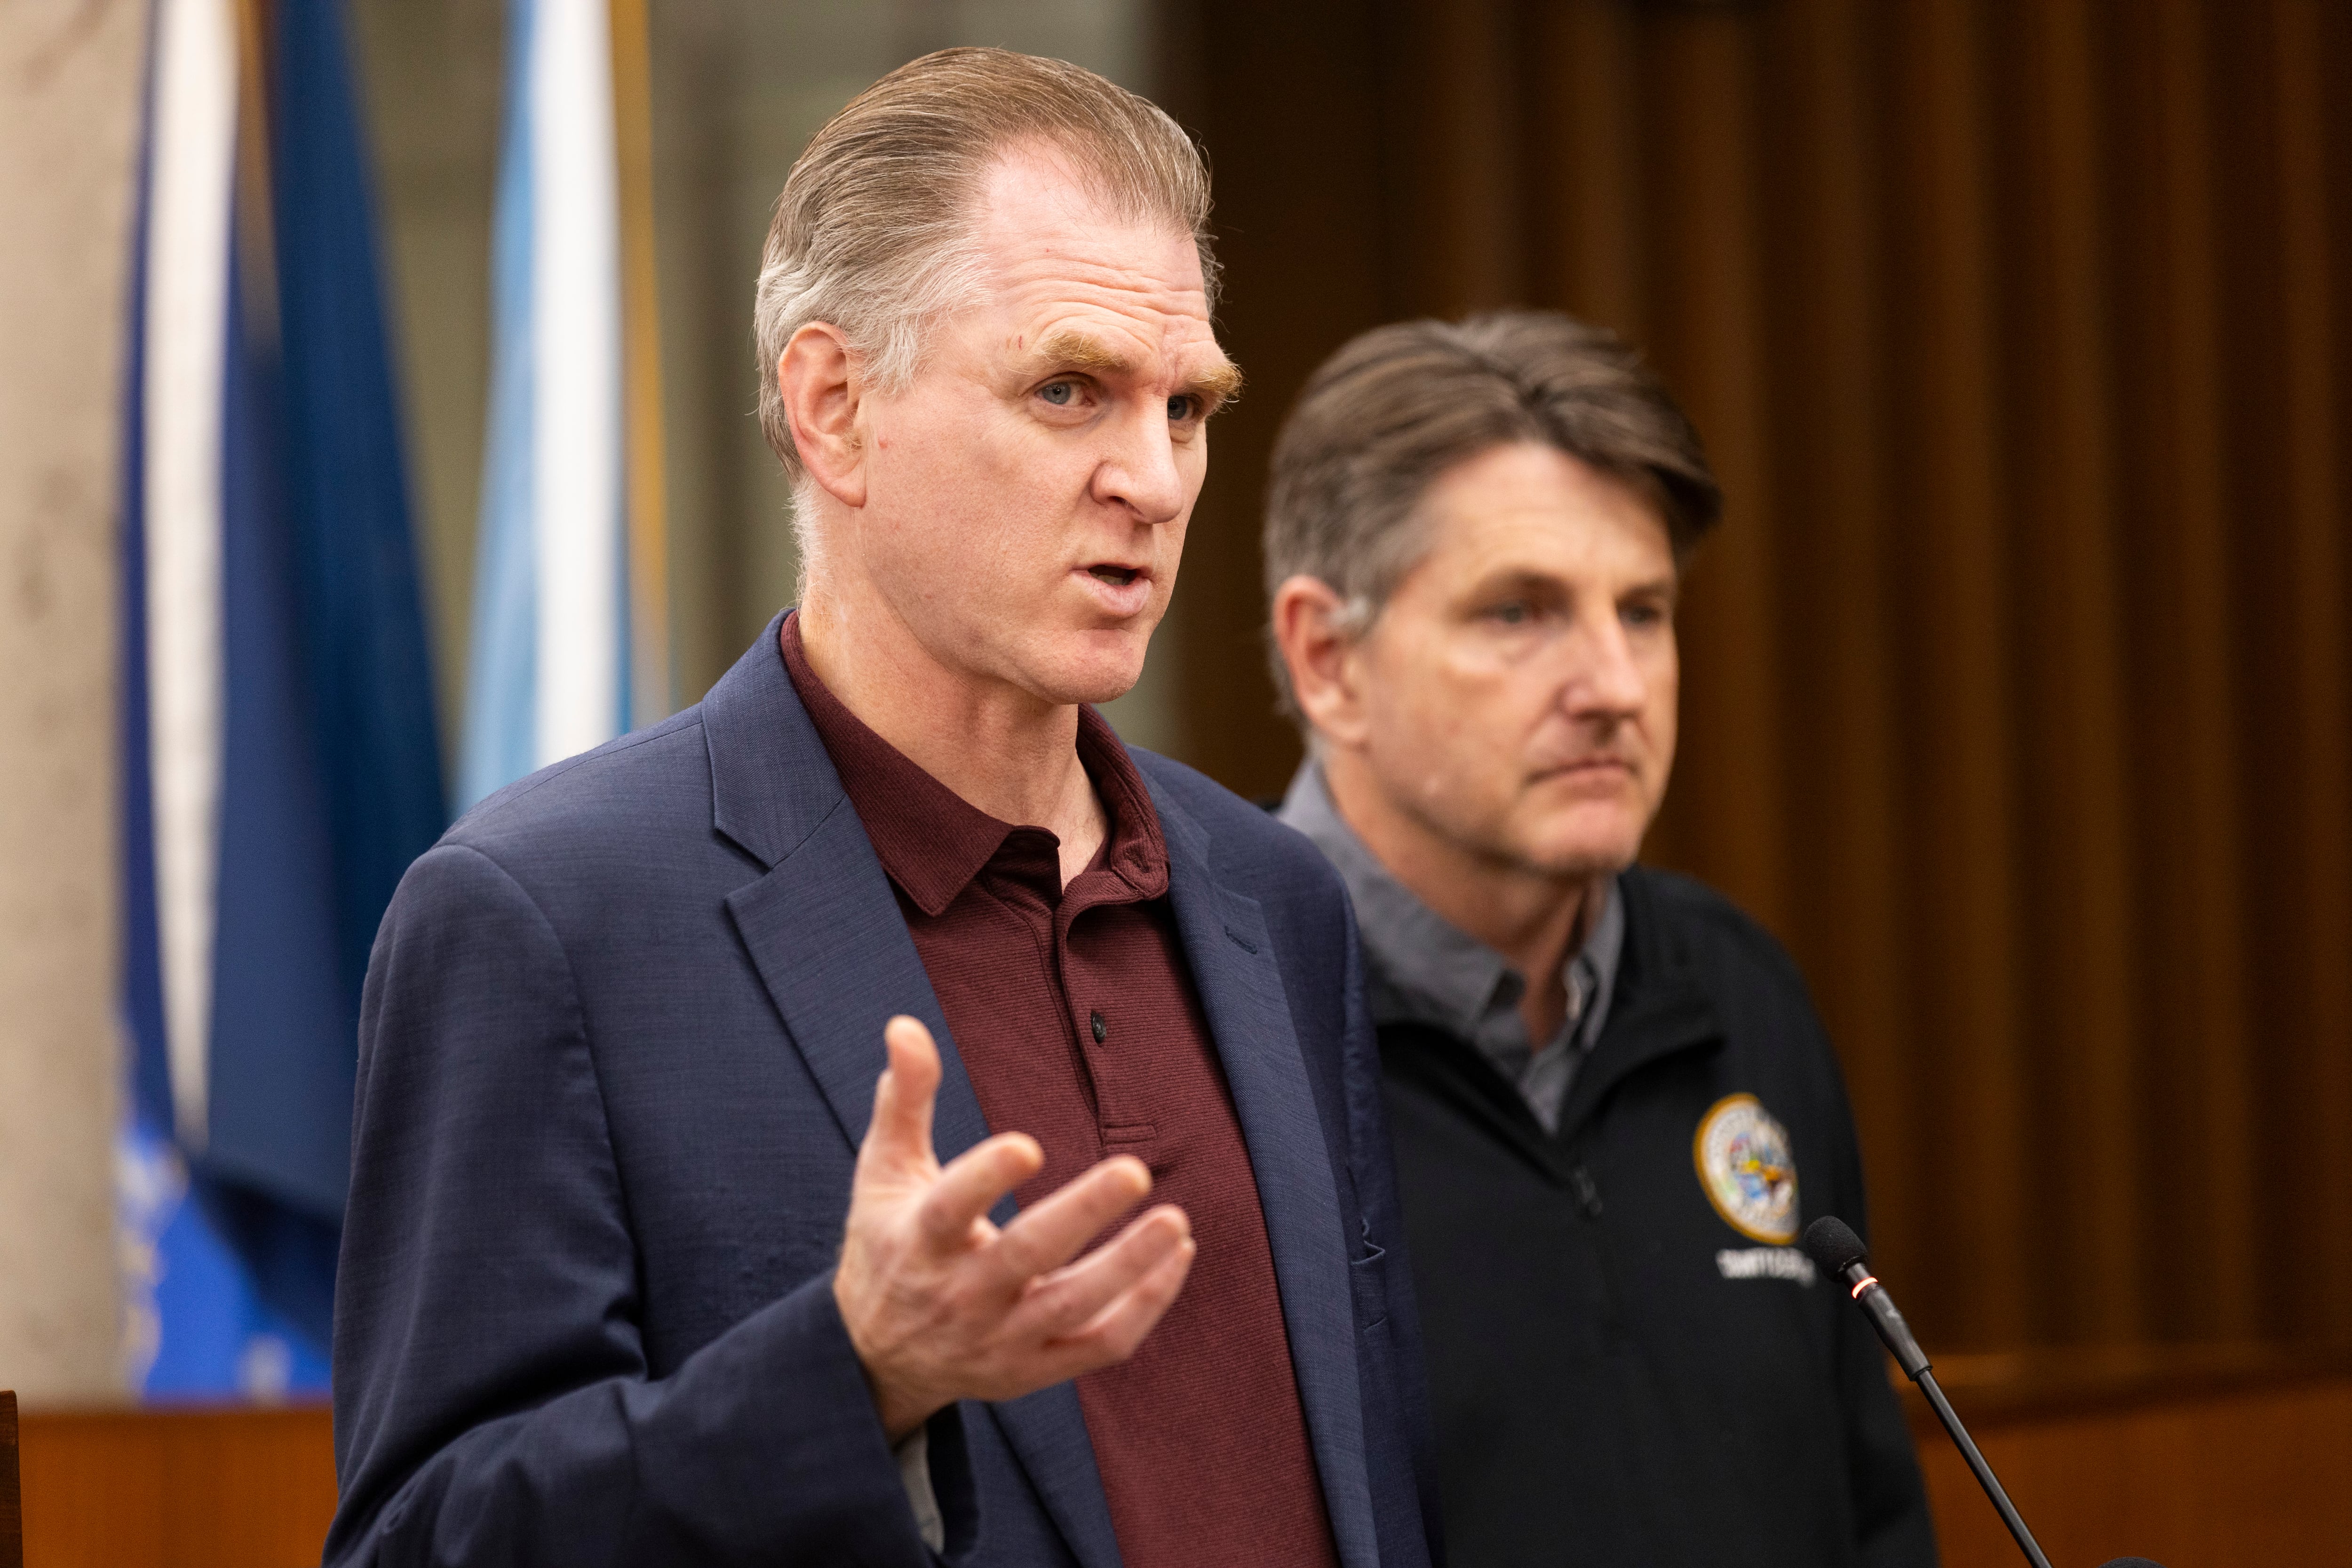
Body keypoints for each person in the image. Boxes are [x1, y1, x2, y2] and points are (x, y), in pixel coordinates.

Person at [327, 50, 1436, 1568]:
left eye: (1185, 405)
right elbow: (424, 1542)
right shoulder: (547, 917)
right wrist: (855, 1378)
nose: (1155, 479)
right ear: (835, 408)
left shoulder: (1273, 895)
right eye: (1069, 390)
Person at [1265, 310, 1937, 1568]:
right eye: (1520, 613)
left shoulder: (1737, 991)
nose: (1615, 688)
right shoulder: (1202, 1019)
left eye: (1643, 611)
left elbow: (1868, 1520)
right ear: (1327, 660)